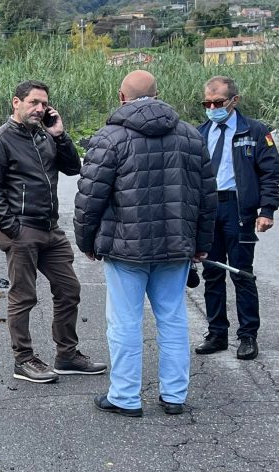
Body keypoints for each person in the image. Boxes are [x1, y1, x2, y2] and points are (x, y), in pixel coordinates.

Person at [74, 70, 217, 417]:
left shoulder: (110, 137)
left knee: (124, 321)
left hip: (126, 248)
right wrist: (202, 242)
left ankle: (125, 397)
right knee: (172, 319)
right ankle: (174, 396)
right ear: (158, 94)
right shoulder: (190, 136)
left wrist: (87, 242)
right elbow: (207, 197)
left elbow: (90, 198)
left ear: (122, 97)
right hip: (176, 246)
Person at [0, 80, 106, 384]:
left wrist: (60, 135)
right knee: (23, 297)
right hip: (22, 231)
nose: (40, 109)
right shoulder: (0, 141)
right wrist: (13, 229)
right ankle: (23, 360)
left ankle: (67, 355)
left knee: (69, 290)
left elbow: (74, 167)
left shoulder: (44, 136)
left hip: (51, 231)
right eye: (34, 102)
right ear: (16, 103)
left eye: (44, 104)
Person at [194, 76, 278, 361]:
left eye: (218, 102)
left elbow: (270, 173)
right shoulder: (200, 132)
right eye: (207, 102)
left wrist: (267, 210)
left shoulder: (254, 131)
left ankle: (248, 336)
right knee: (212, 273)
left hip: (238, 209)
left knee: (242, 273)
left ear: (234, 100)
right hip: (208, 210)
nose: (212, 107)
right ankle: (217, 333)